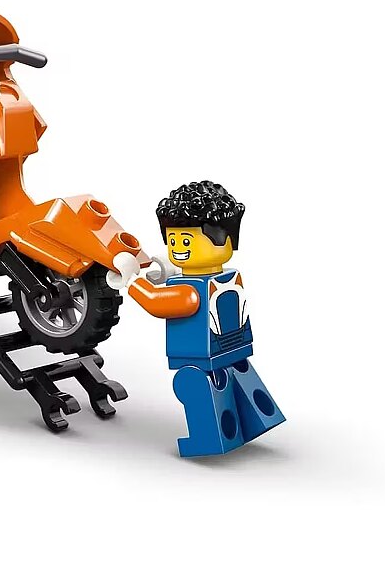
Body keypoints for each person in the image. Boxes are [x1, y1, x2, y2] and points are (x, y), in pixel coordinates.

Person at [108, 180, 284, 457]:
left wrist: (131, 281)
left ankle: (208, 440)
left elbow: (157, 303)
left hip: (199, 358)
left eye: (187, 240)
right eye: (173, 240)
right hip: (232, 349)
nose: (178, 247)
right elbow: (181, 280)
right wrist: (166, 272)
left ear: (226, 240)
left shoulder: (191, 291)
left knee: (195, 387)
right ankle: (257, 421)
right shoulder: (228, 278)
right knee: (236, 382)